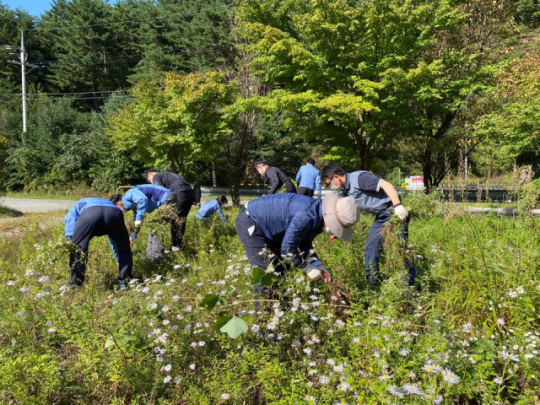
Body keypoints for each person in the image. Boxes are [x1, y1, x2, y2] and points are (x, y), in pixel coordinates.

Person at [235, 193, 360, 288]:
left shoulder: (318, 213)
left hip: (274, 229)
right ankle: (263, 315)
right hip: (252, 221)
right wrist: (307, 268)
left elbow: (305, 242)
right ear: (331, 216)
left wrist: (317, 264)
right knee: (265, 274)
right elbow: (287, 249)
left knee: (282, 270)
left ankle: (280, 307)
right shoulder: (306, 216)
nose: (334, 231)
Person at [321, 164, 415, 286]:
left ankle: (410, 283)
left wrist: (397, 205)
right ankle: (373, 283)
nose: (331, 186)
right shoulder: (346, 191)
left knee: (400, 247)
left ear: (336, 177)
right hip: (381, 217)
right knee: (371, 247)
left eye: (330, 183)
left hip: (393, 212)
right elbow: (347, 213)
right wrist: (338, 231)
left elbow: (386, 185)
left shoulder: (359, 178)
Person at [64, 197, 133, 290]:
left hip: (90, 215)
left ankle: (75, 286)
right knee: (124, 248)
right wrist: (118, 258)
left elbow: (70, 219)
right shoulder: (110, 204)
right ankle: (124, 282)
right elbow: (116, 243)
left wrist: (71, 240)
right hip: (114, 214)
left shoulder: (81, 202)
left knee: (78, 250)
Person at [144, 169, 194, 250]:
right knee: (182, 219)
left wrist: (157, 208)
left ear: (150, 175)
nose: (152, 183)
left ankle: (174, 246)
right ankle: (179, 245)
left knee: (174, 220)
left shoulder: (156, 176)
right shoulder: (168, 174)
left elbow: (160, 192)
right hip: (190, 193)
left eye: (150, 182)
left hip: (180, 193)